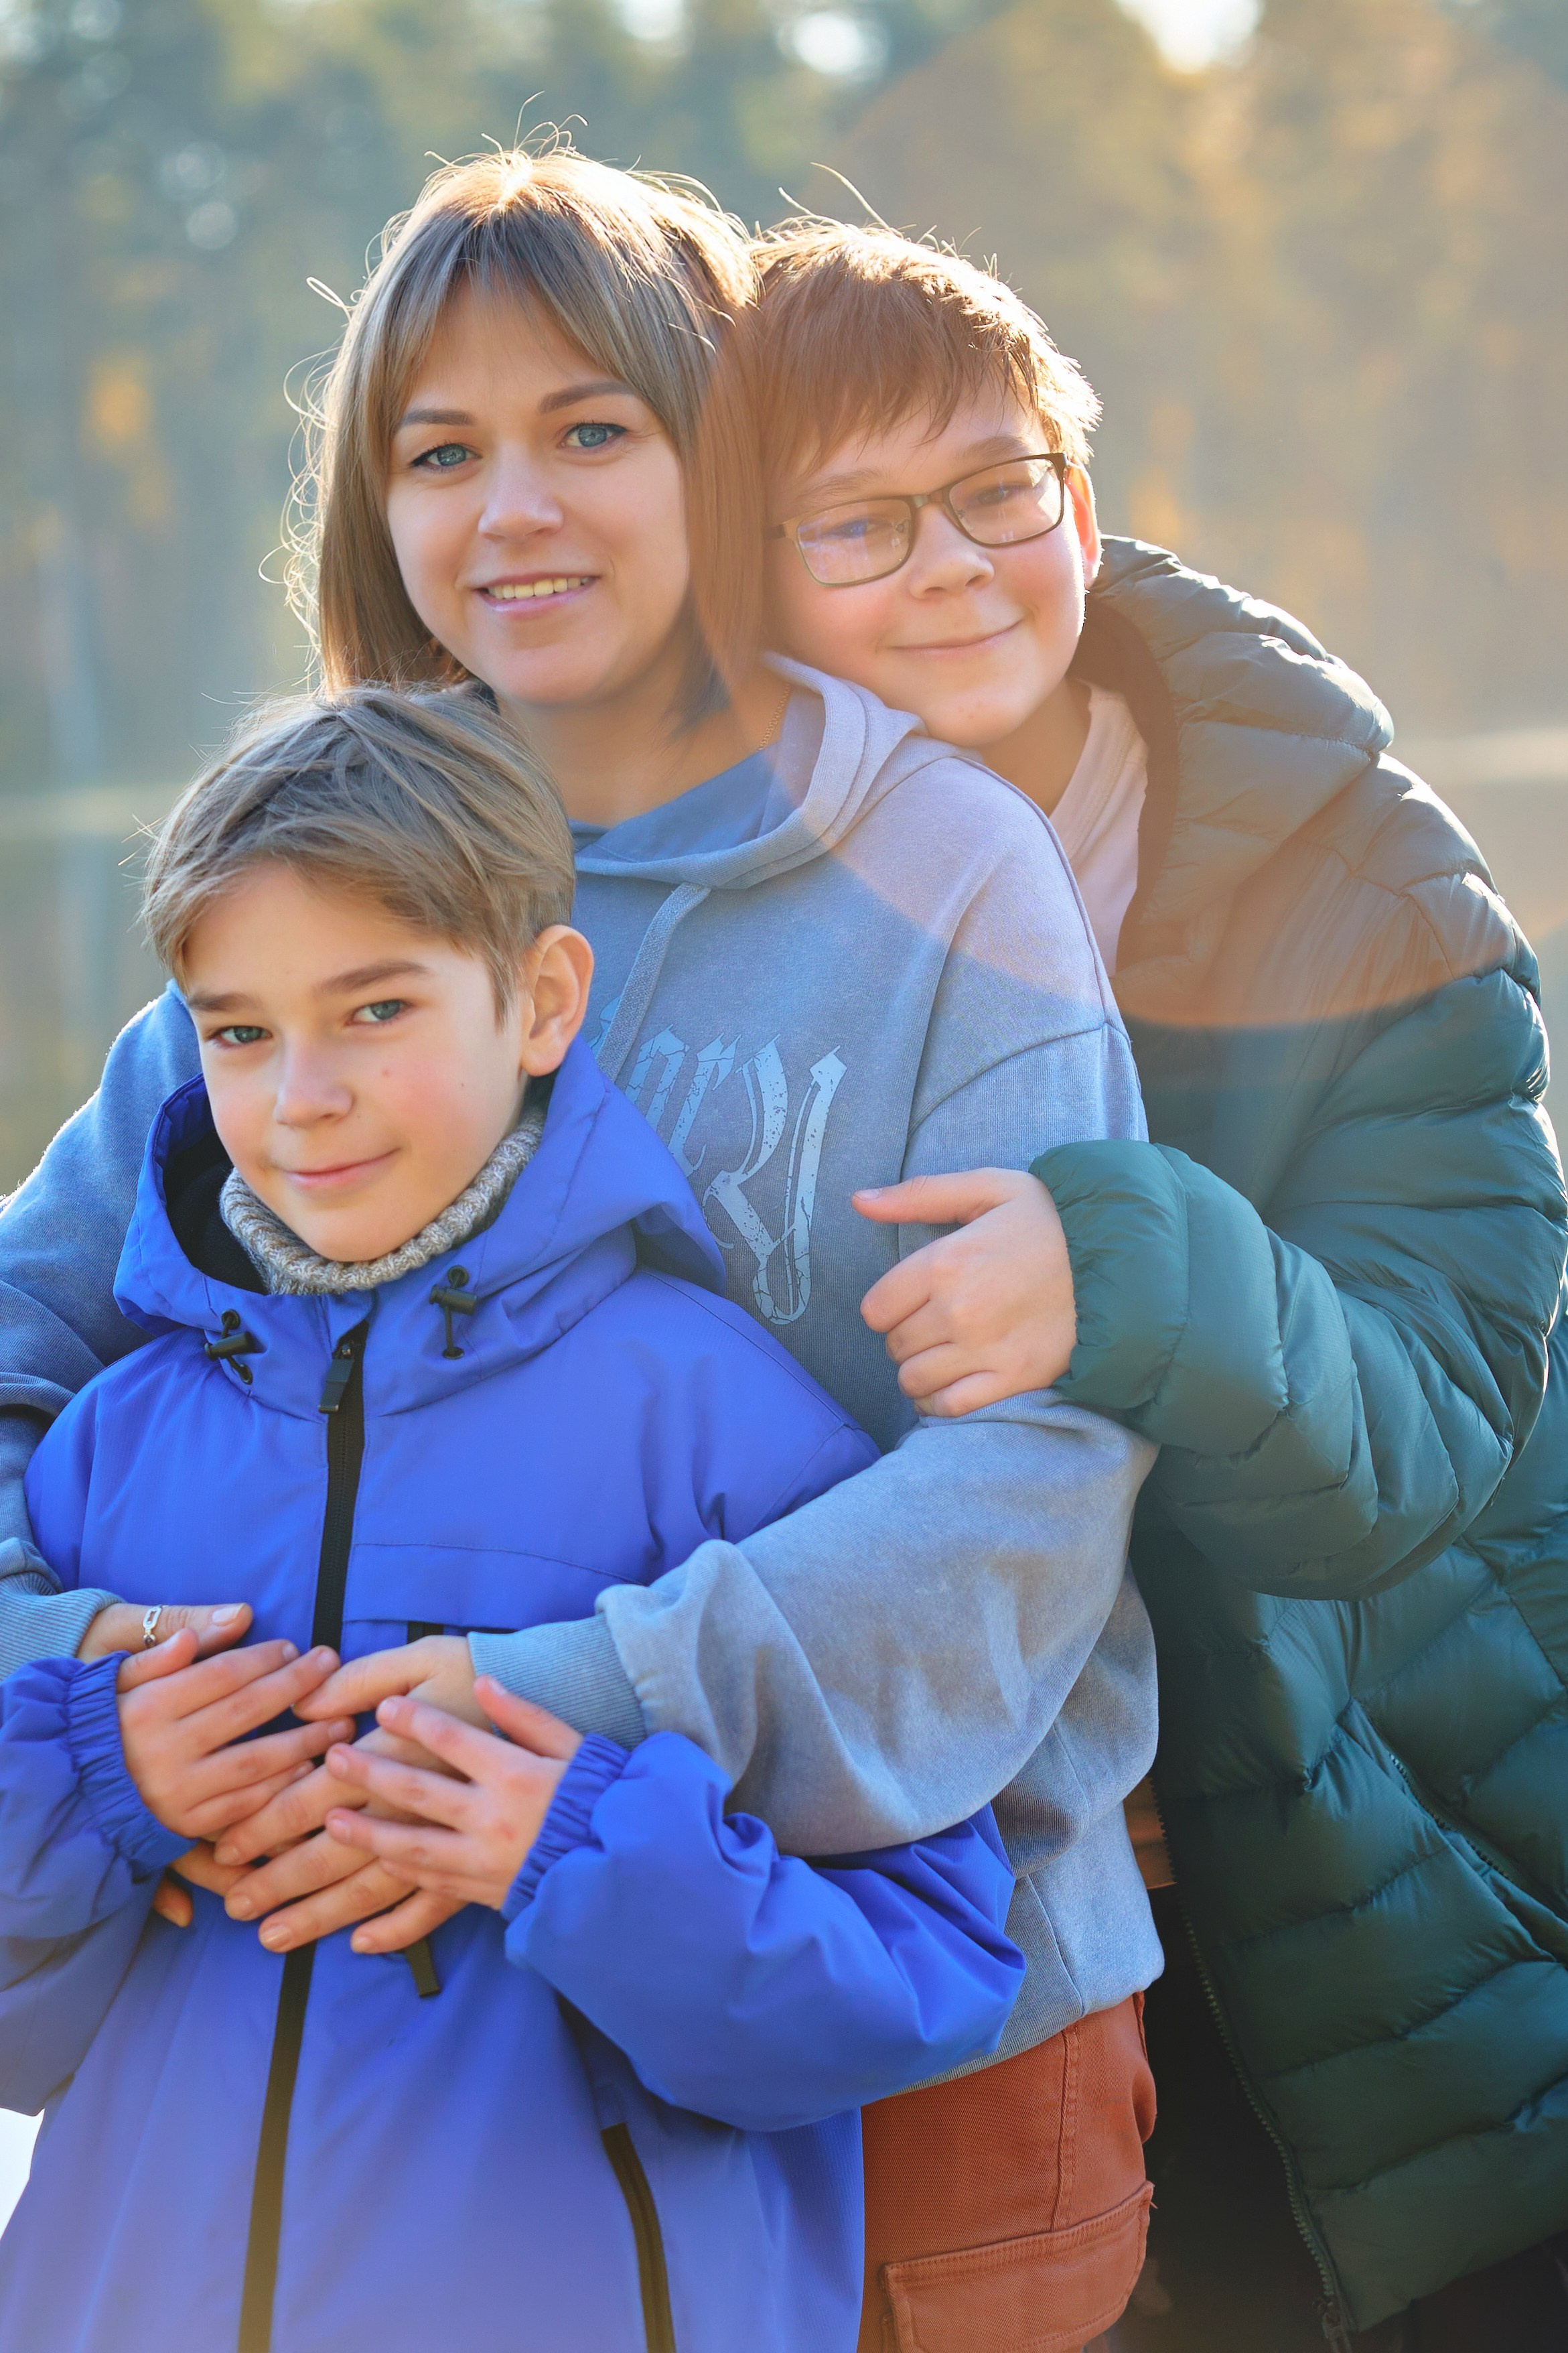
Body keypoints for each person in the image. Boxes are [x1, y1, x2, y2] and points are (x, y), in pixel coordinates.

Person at [0, 153, 1163, 2353]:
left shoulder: (941, 870)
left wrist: (556, 1712)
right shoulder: (318, 885)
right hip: (349, 2040)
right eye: (440, 452)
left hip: (896, 2004)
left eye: (591, 430)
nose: (512, 506)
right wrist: (99, 1708)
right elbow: (41, 1354)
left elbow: (1041, 1482)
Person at [664, 219, 1566, 2349]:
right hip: (946, 1921)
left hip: (1376, 1871)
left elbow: (1430, 1422)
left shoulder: (1357, 881)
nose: (956, 561)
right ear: (752, 577)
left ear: (1077, 504)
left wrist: (1128, 1262)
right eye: (860, 524)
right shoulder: (691, 911)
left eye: (995, 493)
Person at [0, 686, 1023, 2353]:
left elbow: (919, 1970)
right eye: (239, 1030)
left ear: (541, 1000)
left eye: (375, 1008)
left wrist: (573, 1850)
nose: (301, 1096)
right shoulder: (116, 1447)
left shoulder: (718, 1424)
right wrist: (96, 1784)